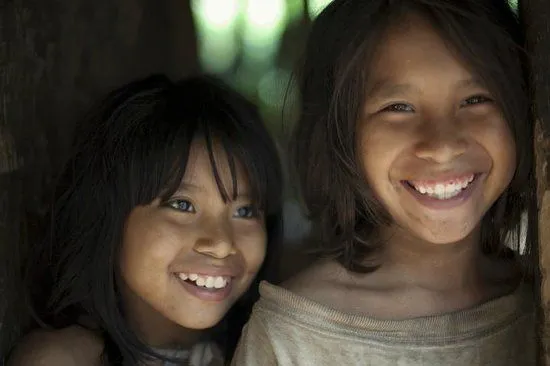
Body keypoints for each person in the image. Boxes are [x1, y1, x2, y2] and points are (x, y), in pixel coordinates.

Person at [232, 0, 536, 365]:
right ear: (341, 134)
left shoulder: (537, 297)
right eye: (399, 107)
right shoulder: (293, 339)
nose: (441, 147)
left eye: (476, 99)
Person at [6, 75, 283, 365]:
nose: (222, 244)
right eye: (182, 204)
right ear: (108, 217)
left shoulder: (271, 353)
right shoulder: (63, 361)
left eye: (245, 211)